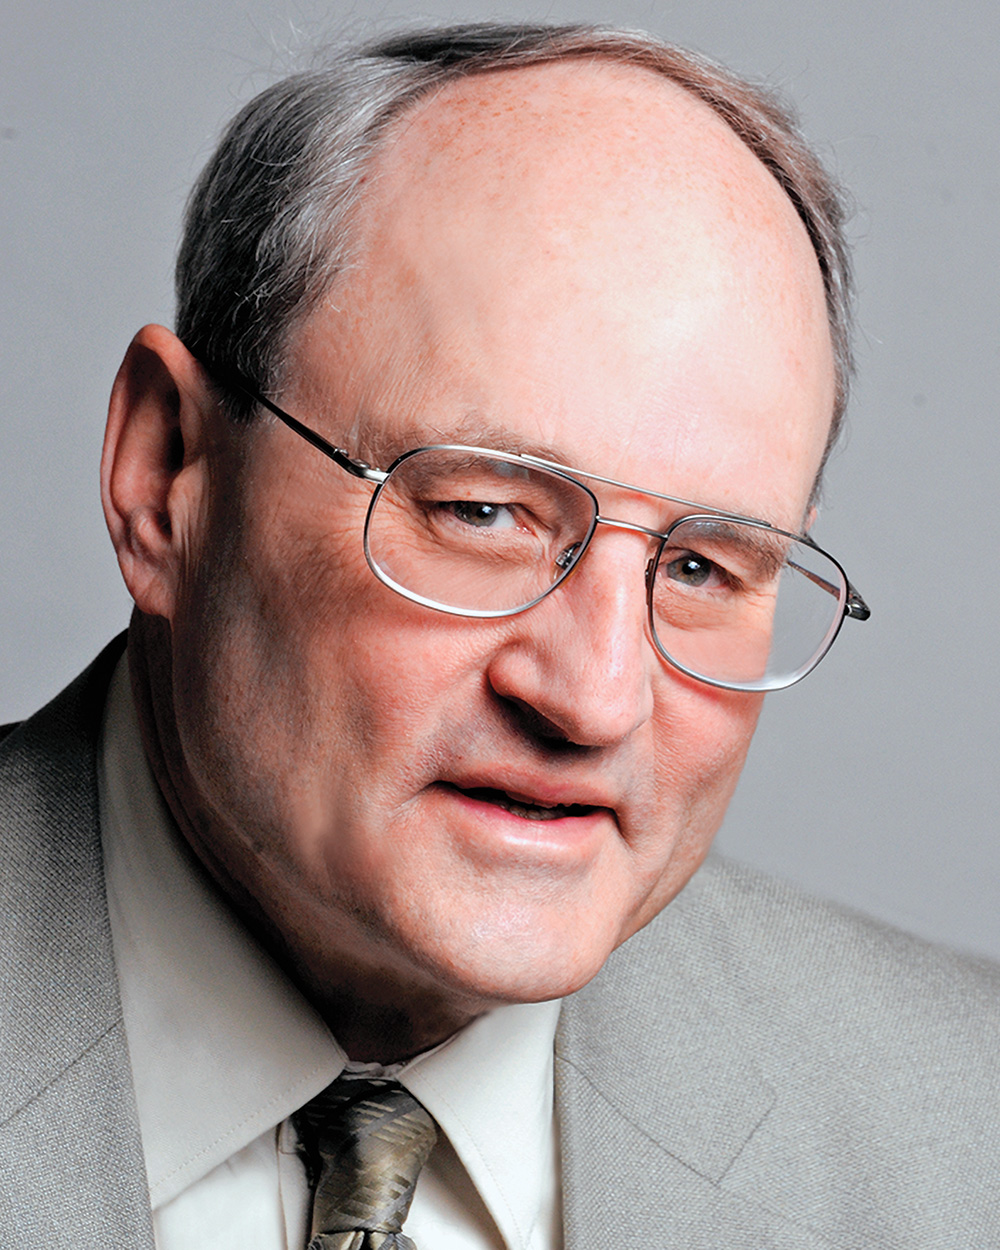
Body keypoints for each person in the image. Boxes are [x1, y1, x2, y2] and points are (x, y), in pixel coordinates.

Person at [2, 20, 998, 1250]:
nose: (594, 696)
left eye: (699, 565)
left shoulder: (970, 1134)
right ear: (170, 476)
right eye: (481, 511)